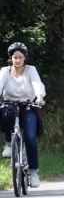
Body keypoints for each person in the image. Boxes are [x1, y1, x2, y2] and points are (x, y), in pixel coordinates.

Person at [0, 42, 46, 188]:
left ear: (24, 58)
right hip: (10, 104)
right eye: (15, 57)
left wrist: (39, 97)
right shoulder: (4, 71)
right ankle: (8, 143)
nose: (18, 60)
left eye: (20, 57)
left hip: (28, 105)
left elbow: (36, 83)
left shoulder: (30, 70)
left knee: (30, 137)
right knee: (5, 112)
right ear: (11, 58)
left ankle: (33, 173)